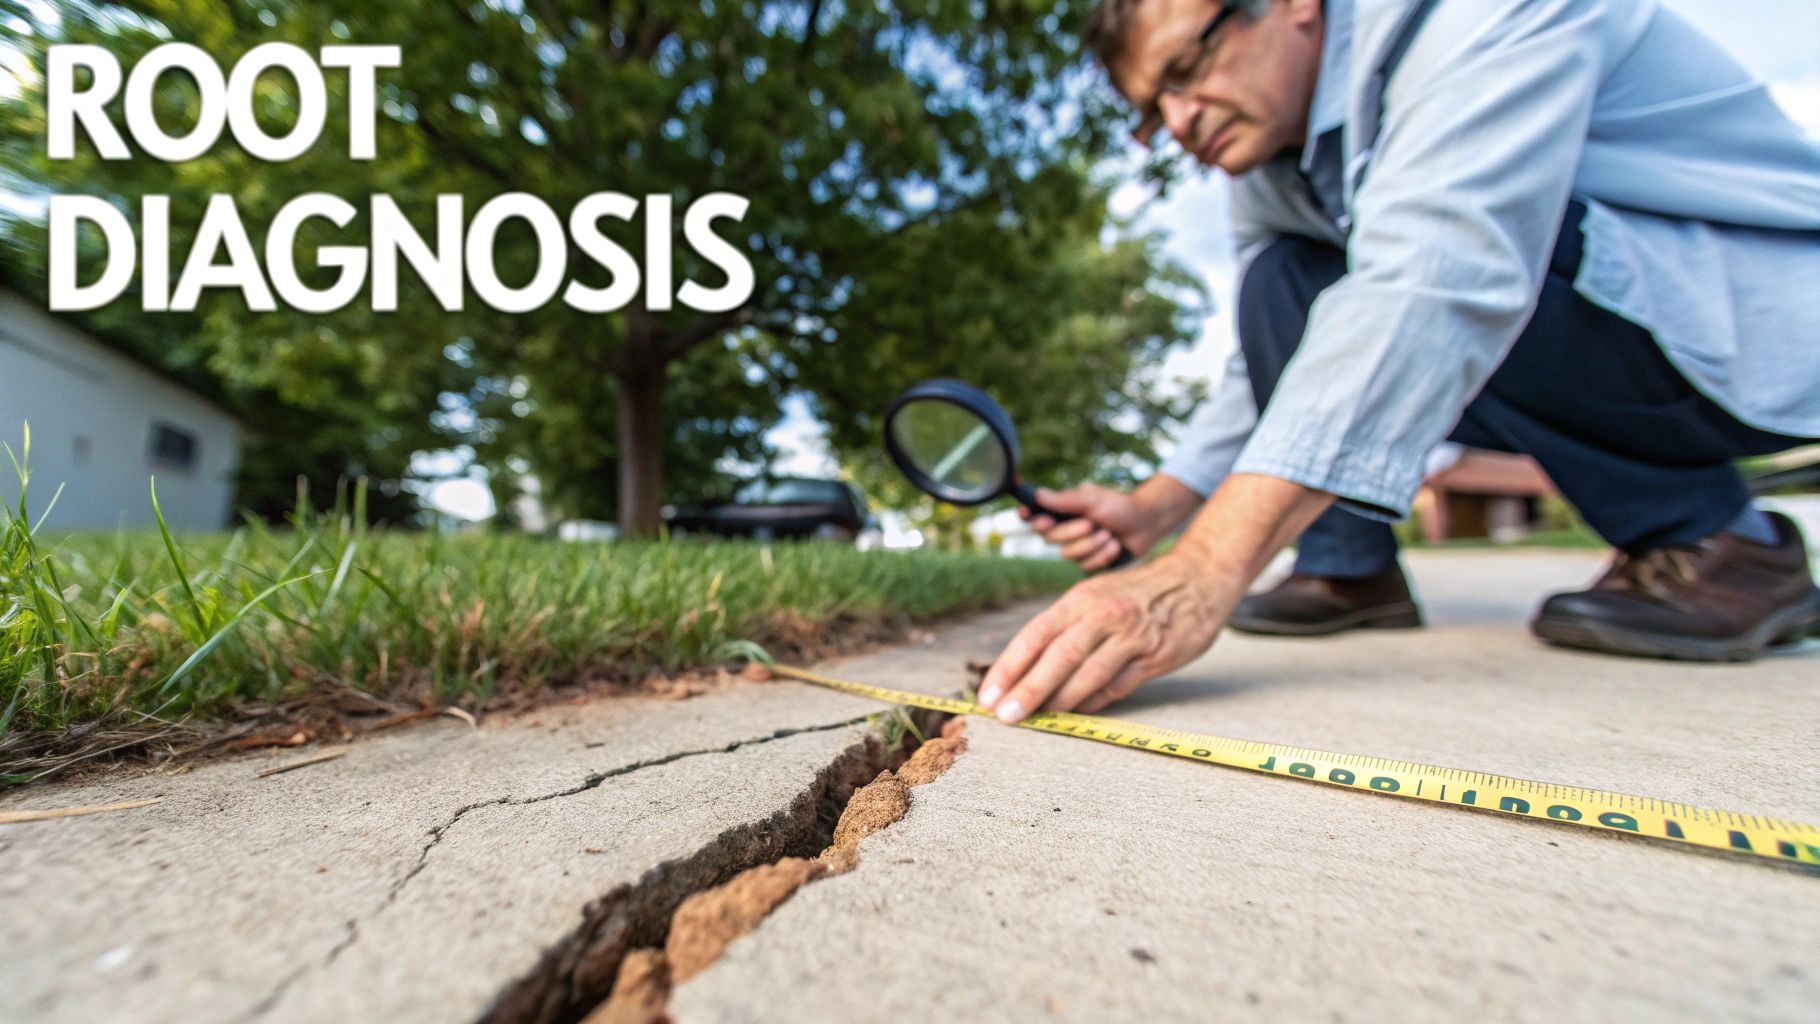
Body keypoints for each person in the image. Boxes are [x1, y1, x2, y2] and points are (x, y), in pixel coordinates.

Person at [976, 0, 1820, 725]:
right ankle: (1349, 572)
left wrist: (1200, 574)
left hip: (1758, 325)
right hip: (1617, 326)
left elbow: (1440, 277)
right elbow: (1277, 352)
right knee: (1286, 281)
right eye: (1153, 109)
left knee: (1459, 251)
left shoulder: (1472, 21)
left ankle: (1718, 540)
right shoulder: (1272, 160)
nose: (1180, 120)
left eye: (1185, 67)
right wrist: (1155, 511)